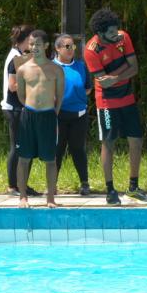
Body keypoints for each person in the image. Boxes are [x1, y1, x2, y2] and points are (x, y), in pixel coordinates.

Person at [83, 8, 147, 206]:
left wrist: (114, 76)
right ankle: (110, 190)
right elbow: (104, 83)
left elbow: (135, 68)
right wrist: (124, 70)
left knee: (136, 140)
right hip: (106, 101)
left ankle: (133, 188)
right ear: (100, 33)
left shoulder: (123, 37)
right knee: (108, 143)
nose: (116, 35)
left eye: (117, 30)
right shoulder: (91, 50)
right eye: (111, 33)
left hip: (127, 97)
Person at [14, 29, 64, 207]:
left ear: (46, 45)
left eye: (38, 44)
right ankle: (23, 197)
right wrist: (32, 108)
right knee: (24, 158)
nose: (34, 47)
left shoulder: (56, 69)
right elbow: (21, 96)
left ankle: (50, 198)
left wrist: (53, 112)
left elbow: (59, 96)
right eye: (31, 44)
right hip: (28, 116)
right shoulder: (23, 69)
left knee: (50, 159)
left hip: (48, 116)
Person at [52, 33, 92, 196]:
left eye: (73, 46)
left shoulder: (81, 66)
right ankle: (52, 185)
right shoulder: (50, 67)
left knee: (78, 149)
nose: (71, 49)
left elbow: (88, 88)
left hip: (79, 116)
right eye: (67, 46)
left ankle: (85, 183)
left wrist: (75, 97)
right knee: (57, 150)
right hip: (57, 116)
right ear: (57, 48)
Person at [1, 24, 34, 198]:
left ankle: (22, 185)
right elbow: (12, 86)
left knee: (26, 147)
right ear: (27, 39)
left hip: (21, 107)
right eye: (32, 39)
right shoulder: (15, 58)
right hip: (14, 108)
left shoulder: (20, 55)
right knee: (17, 147)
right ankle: (13, 186)